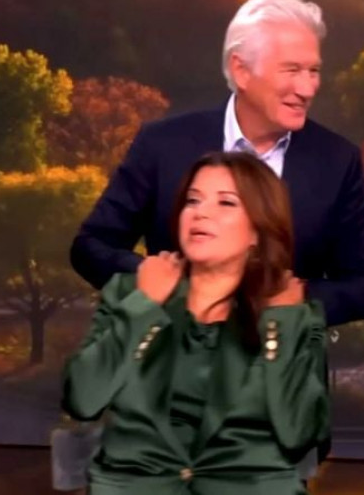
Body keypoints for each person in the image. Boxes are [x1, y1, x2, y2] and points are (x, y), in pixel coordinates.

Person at [70, 0, 364, 330]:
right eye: (292, 70)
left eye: (313, 71)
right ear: (241, 70)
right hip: (170, 353)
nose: (307, 89)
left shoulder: (337, 160)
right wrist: (163, 286)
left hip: (279, 358)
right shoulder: (163, 144)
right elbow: (91, 246)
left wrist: (298, 301)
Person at [63, 152, 329, 495]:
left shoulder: (293, 314)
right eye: (192, 200)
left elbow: (300, 435)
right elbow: (83, 401)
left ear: (258, 230)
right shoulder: (130, 293)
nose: (200, 212)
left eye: (225, 203)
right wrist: (145, 305)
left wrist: (280, 325)